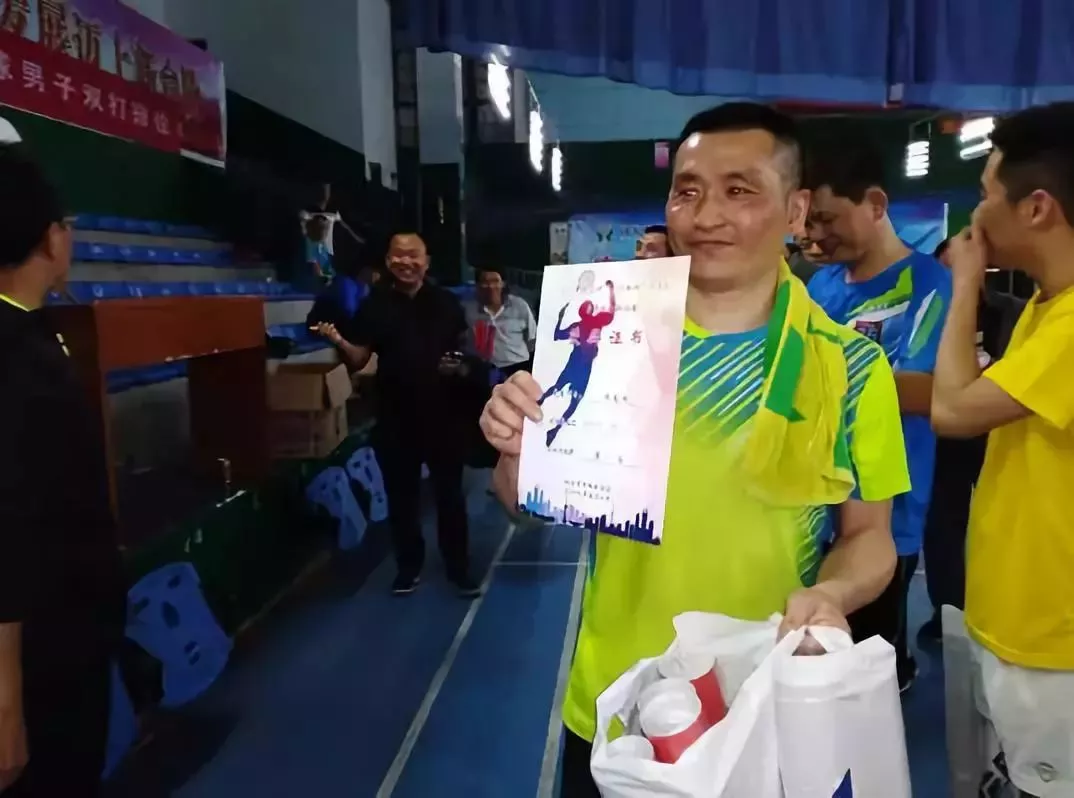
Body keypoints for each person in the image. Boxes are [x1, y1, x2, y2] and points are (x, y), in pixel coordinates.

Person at [479, 103, 909, 797]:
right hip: (621, 708)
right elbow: (525, 509)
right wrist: (514, 454)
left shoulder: (851, 368)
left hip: (768, 703)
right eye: (687, 191)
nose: (707, 215)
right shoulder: (608, 344)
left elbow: (869, 536)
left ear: (796, 211)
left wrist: (832, 592)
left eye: (740, 190)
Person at [932, 102, 1074, 798]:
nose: (978, 214)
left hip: (1054, 640)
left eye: (987, 194)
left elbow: (952, 409)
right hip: (1018, 618)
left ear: (1037, 207)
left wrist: (965, 282)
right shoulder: (1048, 308)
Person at [804, 140, 951, 691]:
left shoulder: (929, 284)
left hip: (890, 503)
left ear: (875, 204)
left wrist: (829, 378)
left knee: (870, 667)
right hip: (816, 500)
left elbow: (927, 390)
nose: (816, 235)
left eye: (827, 219)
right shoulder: (820, 285)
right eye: (808, 222)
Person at [0, 146, 124, 795]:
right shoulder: (16, 358)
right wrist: (5, 702)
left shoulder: (33, 332)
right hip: (44, 662)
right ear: (51, 238)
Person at [315, 232, 480, 598]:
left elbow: (466, 352)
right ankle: (408, 568)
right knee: (402, 500)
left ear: (426, 261)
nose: (406, 262)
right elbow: (359, 358)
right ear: (389, 261)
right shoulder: (374, 305)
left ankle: (459, 569)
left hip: (444, 417)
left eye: (413, 255)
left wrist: (459, 366)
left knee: (450, 497)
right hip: (395, 419)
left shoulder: (446, 302)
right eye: (398, 255)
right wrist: (339, 341)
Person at [918, 238, 1025, 641]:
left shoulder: (1014, 312)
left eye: (962, 267)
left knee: (1004, 523)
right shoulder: (929, 318)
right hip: (944, 439)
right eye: (945, 270)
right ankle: (947, 610)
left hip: (999, 433)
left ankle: (1004, 605)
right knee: (942, 528)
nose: (955, 277)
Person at [538, 272, 616, 447]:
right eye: (589, 307)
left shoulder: (582, 324)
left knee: (561, 391)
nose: (590, 308)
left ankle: (551, 423)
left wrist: (560, 317)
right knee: (569, 398)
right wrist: (611, 291)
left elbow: (557, 335)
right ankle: (551, 422)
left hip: (578, 364)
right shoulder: (592, 323)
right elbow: (611, 311)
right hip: (581, 365)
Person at [465, 267, 537, 377]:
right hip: (484, 370)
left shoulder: (519, 306)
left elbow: (532, 340)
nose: (490, 286)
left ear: (503, 284)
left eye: (495, 281)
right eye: (485, 282)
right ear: (478, 285)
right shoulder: (469, 310)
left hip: (517, 368)